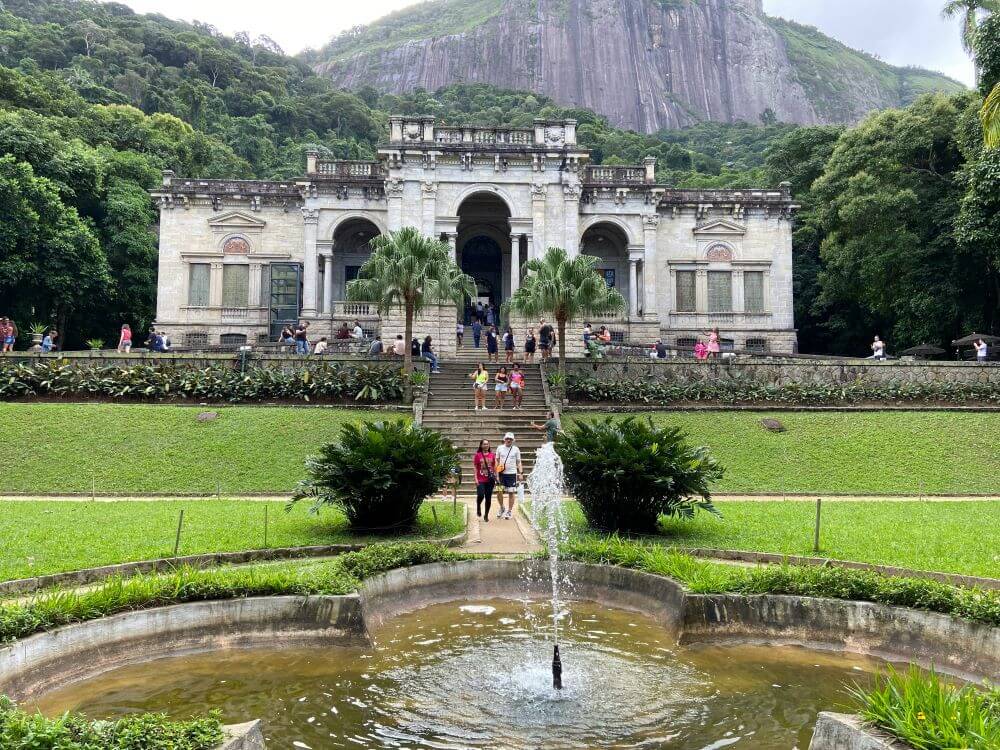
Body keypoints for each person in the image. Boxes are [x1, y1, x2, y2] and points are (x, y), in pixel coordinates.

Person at [494, 432, 523, 520]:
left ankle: (509, 510)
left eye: (510, 439)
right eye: (507, 438)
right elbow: (497, 460)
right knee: (499, 491)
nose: (508, 440)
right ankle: (502, 507)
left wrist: (521, 473)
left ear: (513, 440)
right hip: (501, 474)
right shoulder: (500, 448)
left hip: (512, 474)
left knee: (511, 492)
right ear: (504, 439)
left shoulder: (516, 449)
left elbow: (518, 462)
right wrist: (497, 474)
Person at [473, 439, 496, 522]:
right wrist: (475, 478)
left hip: (490, 480)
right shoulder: (477, 455)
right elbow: (475, 467)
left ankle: (486, 514)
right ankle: (478, 505)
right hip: (480, 479)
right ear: (481, 445)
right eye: (484, 444)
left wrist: (496, 477)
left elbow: (495, 467)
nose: (486, 445)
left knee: (488, 498)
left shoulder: (492, 455)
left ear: (489, 445)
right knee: (481, 495)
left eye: (487, 444)